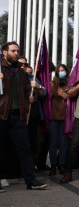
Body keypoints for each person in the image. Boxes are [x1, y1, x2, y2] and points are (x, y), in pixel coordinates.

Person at [0, 42, 48, 191]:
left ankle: (31, 181)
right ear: (4, 52)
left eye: (18, 51)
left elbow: (29, 91)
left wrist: (33, 93)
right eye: (13, 51)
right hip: (1, 114)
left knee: (25, 148)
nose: (16, 53)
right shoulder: (0, 69)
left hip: (17, 115)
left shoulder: (21, 72)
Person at [49, 64, 71, 176]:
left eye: (63, 70)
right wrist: (64, 92)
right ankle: (53, 165)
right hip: (54, 117)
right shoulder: (53, 84)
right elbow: (60, 94)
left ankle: (61, 164)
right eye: (59, 71)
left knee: (63, 143)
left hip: (65, 117)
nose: (61, 72)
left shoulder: (70, 83)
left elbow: (68, 96)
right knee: (53, 143)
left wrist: (66, 92)